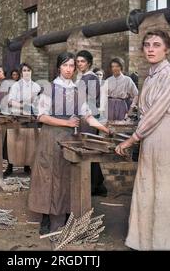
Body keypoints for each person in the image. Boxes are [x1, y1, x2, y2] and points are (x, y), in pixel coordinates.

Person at [115, 30, 170, 250]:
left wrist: (131, 140)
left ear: (166, 49)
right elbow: (139, 106)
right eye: (147, 45)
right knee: (150, 188)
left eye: (157, 45)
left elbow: (156, 112)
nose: (151, 49)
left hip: (168, 135)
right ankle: (148, 242)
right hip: (151, 136)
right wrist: (128, 118)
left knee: (168, 191)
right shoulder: (151, 76)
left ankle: (169, 244)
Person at [28, 52, 111, 235]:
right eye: (65, 65)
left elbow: (87, 116)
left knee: (66, 177)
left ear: (75, 68)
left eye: (72, 66)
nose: (68, 69)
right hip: (50, 139)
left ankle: (64, 215)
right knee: (48, 177)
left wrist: (106, 129)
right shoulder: (50, 89)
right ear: (59, 67)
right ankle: (46, 218)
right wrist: (66, 122)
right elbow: (41, 116)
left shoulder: (77, 91)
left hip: (70, 140)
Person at [75, 51, 107, 197]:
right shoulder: (82, 77)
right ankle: (97, 182)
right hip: (82, 115)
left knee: (88, 149)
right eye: (78, 61)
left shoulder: (91, 78)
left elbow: (92, 100)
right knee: (86, 148)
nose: (79, 64)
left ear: (88, 62)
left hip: (88, 117)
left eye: (82, 61)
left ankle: (95, 185)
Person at [7, 63, 42, 176]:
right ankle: (10, 166)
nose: (27, 72)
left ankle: (27, 166)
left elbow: (40, 102)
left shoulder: (36, 87)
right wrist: (23, 106)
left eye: (28, 70)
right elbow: (10, 101)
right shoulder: (16, 86)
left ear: (31, 72)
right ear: (21, 73)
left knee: (30, 143)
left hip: (31, 117)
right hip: (18, 116)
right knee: (14, 143)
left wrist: (35, 104)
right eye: (24, 70)